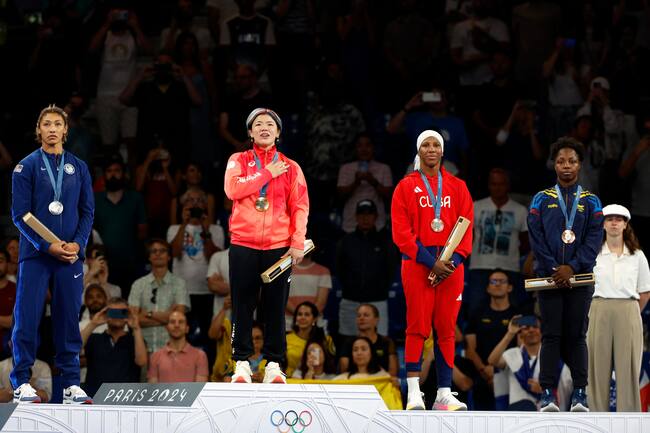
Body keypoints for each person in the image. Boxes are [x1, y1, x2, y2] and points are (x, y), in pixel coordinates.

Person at [10, 105, 94, 404]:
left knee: (68, 318)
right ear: (39, 130)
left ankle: (71, 384)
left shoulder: (78, 166)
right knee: (27, 316)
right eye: (46, 124)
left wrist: (78, 244)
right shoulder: (25, 166)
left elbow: (87, 211)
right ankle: (21, 380)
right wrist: (47, 246)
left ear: (66, 130)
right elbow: (20, 215)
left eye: (58, 123)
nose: (52, 129)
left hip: (70, 255)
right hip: (36, 255)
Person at [224, 107, 309, 384]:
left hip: (278, 246)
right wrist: (266, 174)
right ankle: (241, 363)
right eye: (258, 124)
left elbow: (300, 207)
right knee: (242, 305)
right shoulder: (238, 160)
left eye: (270, 124)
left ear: (278, 132)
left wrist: (297, 243)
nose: (264, 127)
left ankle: (274, 363)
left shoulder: (292, 167)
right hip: (243, 243)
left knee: (275, 306)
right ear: (250, 132)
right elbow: (232, 190)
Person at [391, 130, 473, 411]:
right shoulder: (405, 186)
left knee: (447, 329)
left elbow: (467, 227)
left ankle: (444, 392)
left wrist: (453, 263)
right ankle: (414, 391)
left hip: (451, 266)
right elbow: (401, 234)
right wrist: (431, 262)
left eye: (435, 144)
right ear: (418, 151)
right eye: (425, 144)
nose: (431, 149)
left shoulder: (458, 186)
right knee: (417, 327)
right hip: (417, 263)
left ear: (442, 151)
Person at [527, 137, 604, 412]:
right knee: (551, 336)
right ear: (554, 165)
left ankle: (580, 394)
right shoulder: (541, 199)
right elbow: (536, 239)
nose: (567, 166)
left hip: (579, 279)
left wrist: (572, 266)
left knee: (577, 336)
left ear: (580, 164)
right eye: (561, 161)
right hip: (549, 279)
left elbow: (595, 239)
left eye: (572, 161)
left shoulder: (592, 201)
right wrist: (554, 268)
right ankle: (548, 394)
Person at [587, 204, 650, 412]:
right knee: (597, 367)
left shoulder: (637, 255)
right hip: (599, 308)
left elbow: (644, 292)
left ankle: (629, 418)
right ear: (603, 224)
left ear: (625, 225)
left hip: (629, 308)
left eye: (619, 219)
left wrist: (631, 314)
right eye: (609, 219)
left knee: (629, 367)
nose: (614, 222)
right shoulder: (592, 253)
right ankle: (596, 416)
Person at [467, 169, 530, 317]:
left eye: (501, 184)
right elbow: (468, 237)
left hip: (510, 267)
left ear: (507, 185)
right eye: (494, 184)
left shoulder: (520, 210)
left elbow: (525, 242)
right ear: (489, 185)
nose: (498, 187)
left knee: (512, 312)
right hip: (480, 266)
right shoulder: (476, 206)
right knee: (476, 310)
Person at [337, 199, 397, 337]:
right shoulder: (345, 242)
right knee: (348, 343)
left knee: (378, 342)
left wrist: (379, 290)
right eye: (362, 214)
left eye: (369, 214)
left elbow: (391, 270)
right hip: (350, 301)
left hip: (377, 301)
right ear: (356, 217)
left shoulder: (386, 242)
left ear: (376, 217)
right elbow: (339, 269)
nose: (365, 218)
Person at [488, 315, 573, 411]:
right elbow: (492, 360)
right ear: (520, 334)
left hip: (546, 415)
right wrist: (510, 333)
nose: (531, 330)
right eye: (526, 328)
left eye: (535, 327)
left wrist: (545, 391)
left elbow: (567, 389)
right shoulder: (513, 355)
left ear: (542, 332)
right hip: (518, 414)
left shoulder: (552, 359)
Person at [465, 270, 521, 410]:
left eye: (502, 281)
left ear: (510, 287)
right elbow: (469, 350)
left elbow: (521, 349)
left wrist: (497, 370)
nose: (497, 285)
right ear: (488, 287)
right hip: (482, 373)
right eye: (493, 282)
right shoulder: (477, 313)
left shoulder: (517, 315)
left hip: (508, 371)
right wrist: (485, 371)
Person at [128, 239, 190, 354]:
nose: (158, 254)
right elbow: (133, 319)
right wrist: (168, 317)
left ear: (169, 257)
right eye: (154, 251)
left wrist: (148, 314)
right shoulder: (138, 284)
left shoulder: (180, 284)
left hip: (171, 350)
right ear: (149, 257)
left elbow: (178, 318)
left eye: (162, 251)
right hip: (142, 349)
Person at [81, 297, 147, 396]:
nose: (117, 316)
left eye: (122, 312)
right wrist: (93, 324)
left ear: (127, 315)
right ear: (106, 313)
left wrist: (136, 328)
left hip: (126, 399)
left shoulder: (135, 340)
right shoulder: (94, 339)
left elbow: (141, 361)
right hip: (96, 398)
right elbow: (74, 349)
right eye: (113, 312)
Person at [338, 304, 398, 378]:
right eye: (359, 315)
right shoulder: (348, 342)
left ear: (376, 320)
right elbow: (344, 371)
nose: (361, 318)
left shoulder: (387, 342)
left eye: (366, 315)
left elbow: (393, 373)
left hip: (381, 382)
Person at [148, 310, 209, 383]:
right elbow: (153, 390)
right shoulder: (155, 356)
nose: (176, 325)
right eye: (173, 322)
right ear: (167, 328)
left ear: (187, 329)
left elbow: (200, 389)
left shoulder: (200, 356)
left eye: (181, 322)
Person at [285, 302, 334, 378]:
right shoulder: (286, 338)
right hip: (289, 379)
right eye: (299, 314)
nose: (302, 317)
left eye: (307, 314)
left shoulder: (326, 339)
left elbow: (331, 364)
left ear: (314, 319)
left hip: (320, 379)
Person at [0, 249, 16, 359]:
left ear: (7, 264)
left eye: (0, 261)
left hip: (9, 351)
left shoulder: (15, 289)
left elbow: (15, 321)